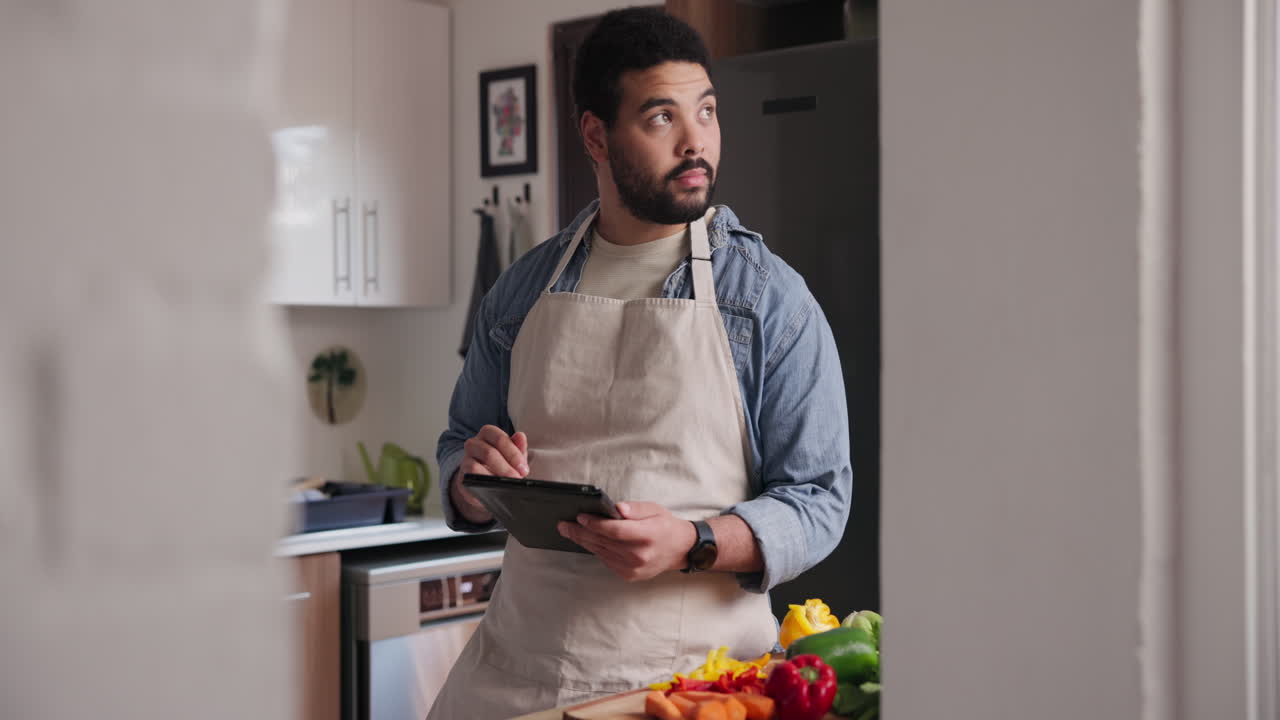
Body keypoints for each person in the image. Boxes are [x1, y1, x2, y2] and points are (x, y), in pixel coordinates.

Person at [427, 8, 852, 719]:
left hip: (691, 690)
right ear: (596, 135)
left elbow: (819, 499)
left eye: (707, 111)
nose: (697, 142)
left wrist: (693, 542)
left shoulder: (770, 299)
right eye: (662, 118)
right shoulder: (521, 292)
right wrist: (475, 483)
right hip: (512, 678)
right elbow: (457, 448)